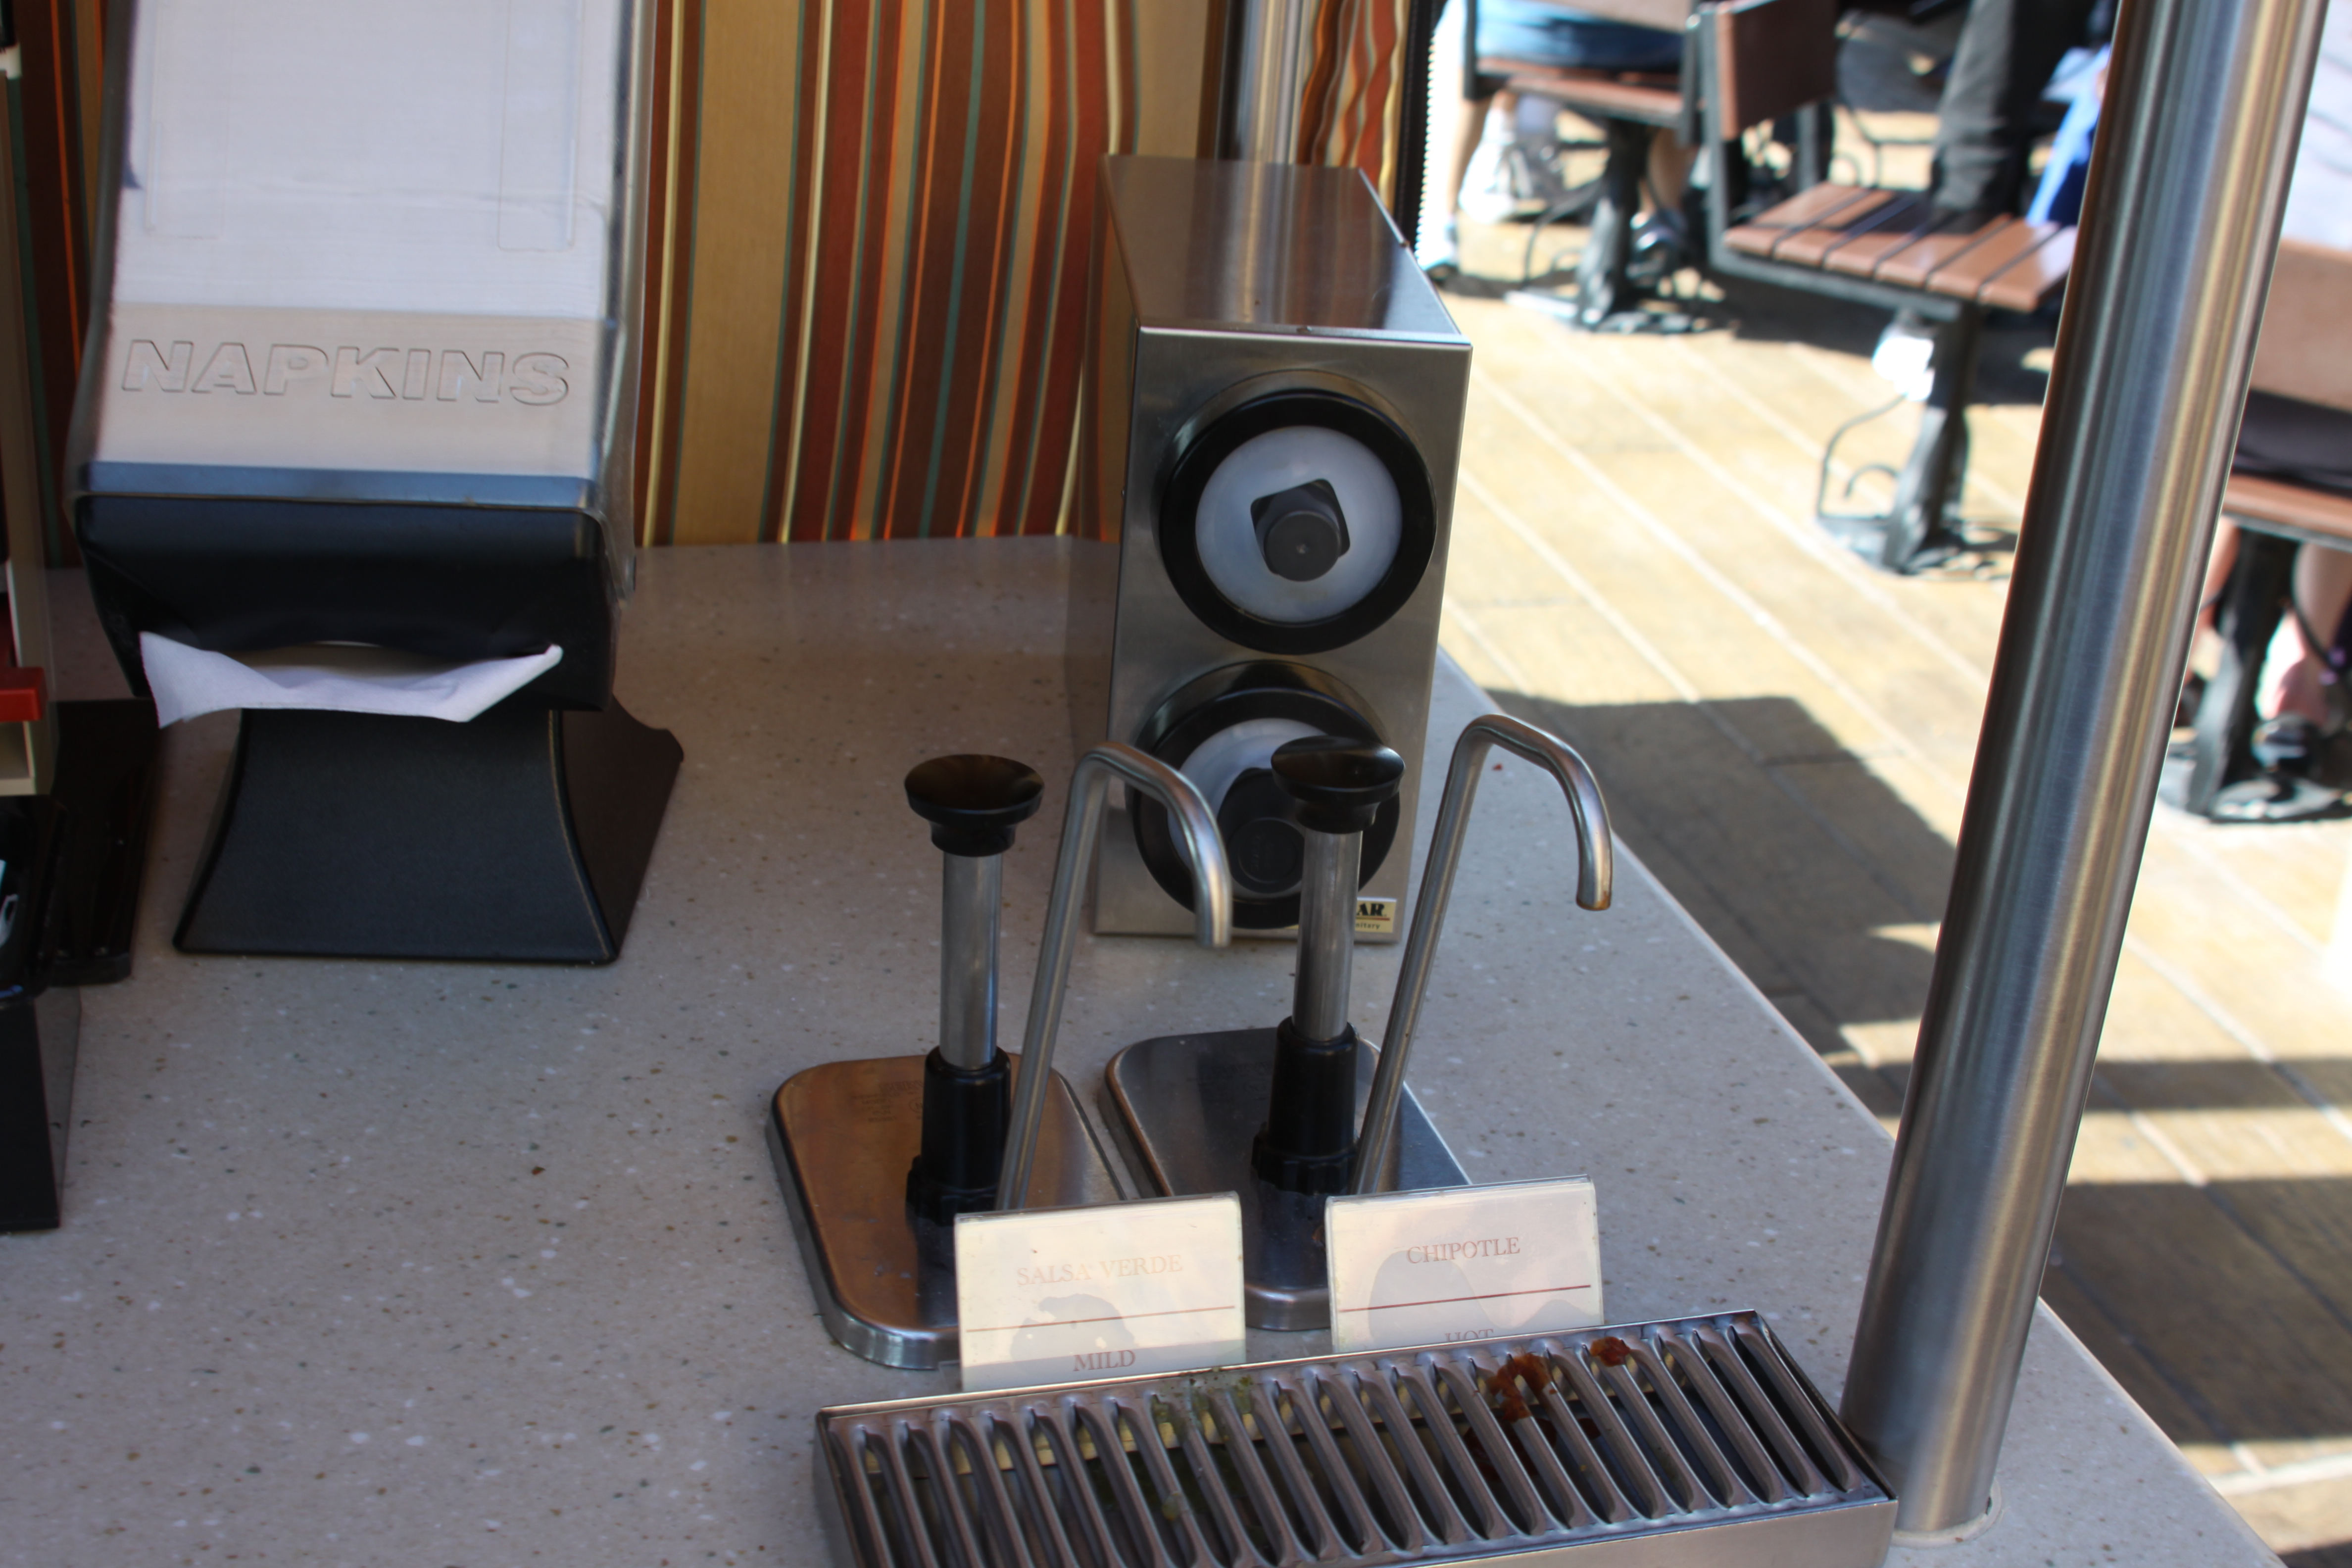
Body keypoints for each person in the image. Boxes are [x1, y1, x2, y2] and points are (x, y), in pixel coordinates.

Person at [1420, 0, 1688, 280]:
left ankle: (1437, 221)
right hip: (1653, 44)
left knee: (1463, 20)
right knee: (1694, 37)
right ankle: (1662, 218)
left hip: (1530, 34)